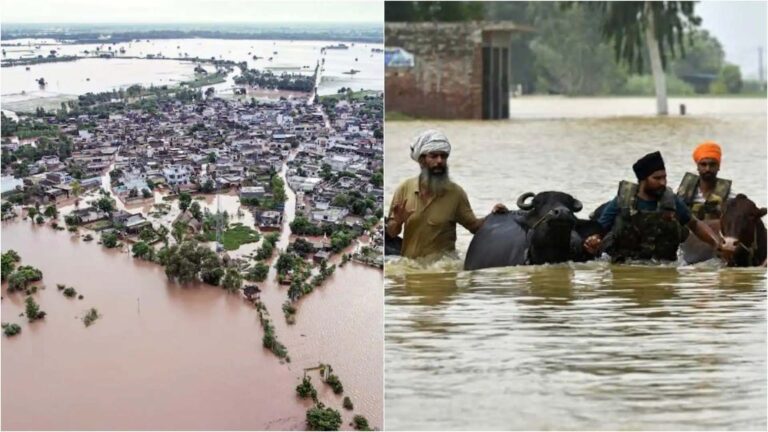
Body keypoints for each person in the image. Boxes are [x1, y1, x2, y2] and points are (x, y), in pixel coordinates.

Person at [386, 129, 506, 259]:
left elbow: (475, 227)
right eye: (434, 156)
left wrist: (494, 217)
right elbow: (391, 233)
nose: (439, 161)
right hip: (411, 269)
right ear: (422, 160)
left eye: (443, 156)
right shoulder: (404, 189)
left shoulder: (456, 193)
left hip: (443, 270)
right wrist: (398, 221)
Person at [583, 151, 722, 262]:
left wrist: (716, 243)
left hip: (664, 265)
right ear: (643, 180)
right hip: (625, 265)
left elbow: (695, 224)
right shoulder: (622, 200)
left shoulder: (672, 200)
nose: (663, 182)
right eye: (657, 178)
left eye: (664, 177)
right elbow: (599, 228)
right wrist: (592, 241)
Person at [676, 141, 732, 220]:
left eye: (712, 165)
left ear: (718, 166)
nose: (707, 169)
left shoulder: (730, 195)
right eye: (703, 164)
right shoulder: (682, 191)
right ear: (697, 166)